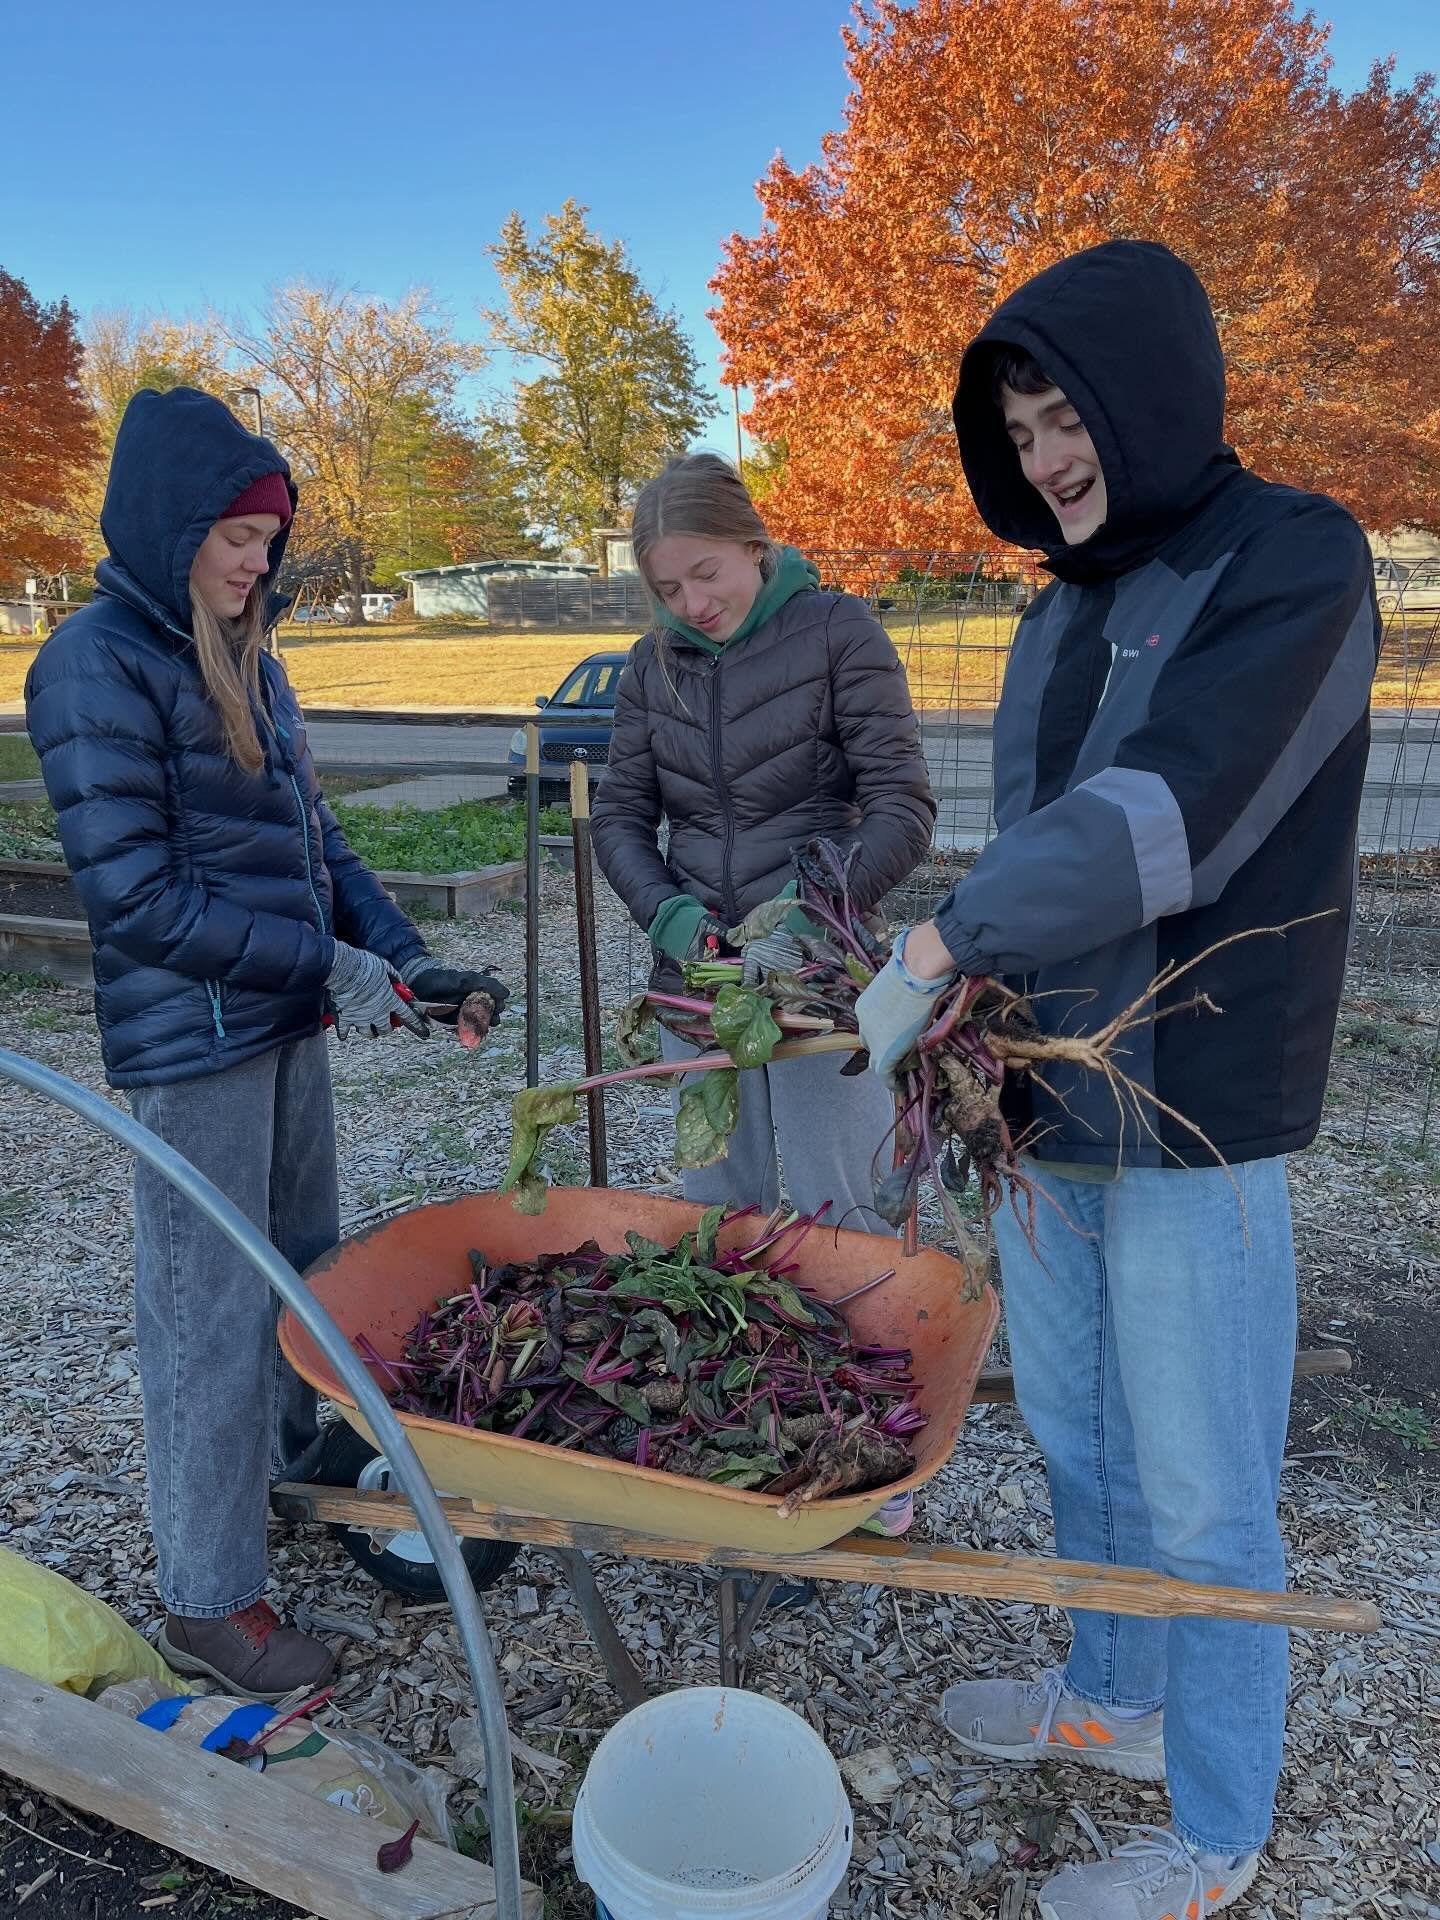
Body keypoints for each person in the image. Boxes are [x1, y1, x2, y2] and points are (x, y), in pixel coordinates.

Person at [856, 241, 1379, 1919]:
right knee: (1082, 1434)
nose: (1043, 458)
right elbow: (1037, 836)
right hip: (1050, 1106)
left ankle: (1217, 1831)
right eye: (1016, 429)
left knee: (1211, 1483)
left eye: (1066, 414)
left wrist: (939, 948)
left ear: (1149, 400)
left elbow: (1172, 815)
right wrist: (965, 1037)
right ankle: (1119, 1696)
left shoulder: (1292, 561)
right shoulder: (1059, 612)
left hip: (1196, 1109)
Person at [25, 388, 508, 1700]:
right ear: (169, 525)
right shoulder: (91, 664)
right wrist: (339, 970)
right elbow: (136, 902)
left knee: (304, 1273)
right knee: (206, 1311)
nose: (259, 562)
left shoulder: (248, 655)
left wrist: (409, 959)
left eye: (268, 542)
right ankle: (207, 1597)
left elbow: (318, 849)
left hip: (283, 1022)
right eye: (237, 537)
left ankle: (292, 1482)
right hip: (194, 1049)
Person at [592, 452, 935, 1237]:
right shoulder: (653, 667)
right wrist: (671, 917)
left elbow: (903, 807)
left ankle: (866, 1350)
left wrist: (812, 912)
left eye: (707, 573)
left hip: (819, 981)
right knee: (717, 1217)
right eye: (669, 589)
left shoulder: (838, 632)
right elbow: (619, 819)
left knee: (844, 1212)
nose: (694, 603)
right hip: (702, 983)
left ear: (753, 542)